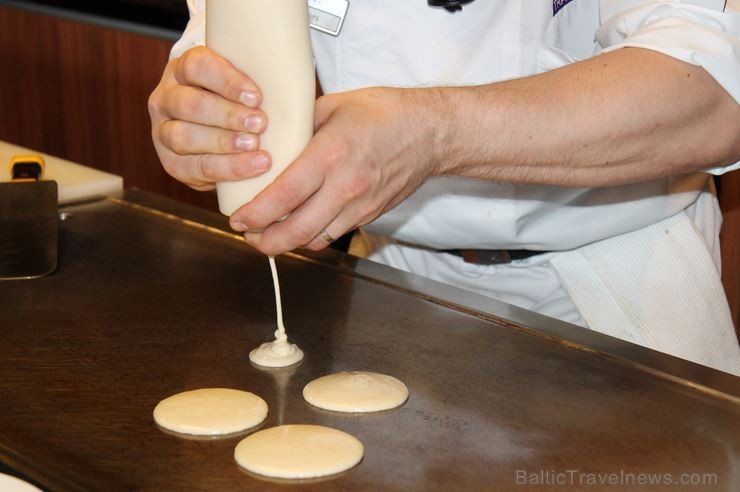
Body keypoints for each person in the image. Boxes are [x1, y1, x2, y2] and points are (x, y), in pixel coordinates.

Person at [149, 0, 740, 375]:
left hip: (625, 280)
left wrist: (434, 132)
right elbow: (230, 39)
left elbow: (716, 100)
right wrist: (198, 111)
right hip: (393, 274)